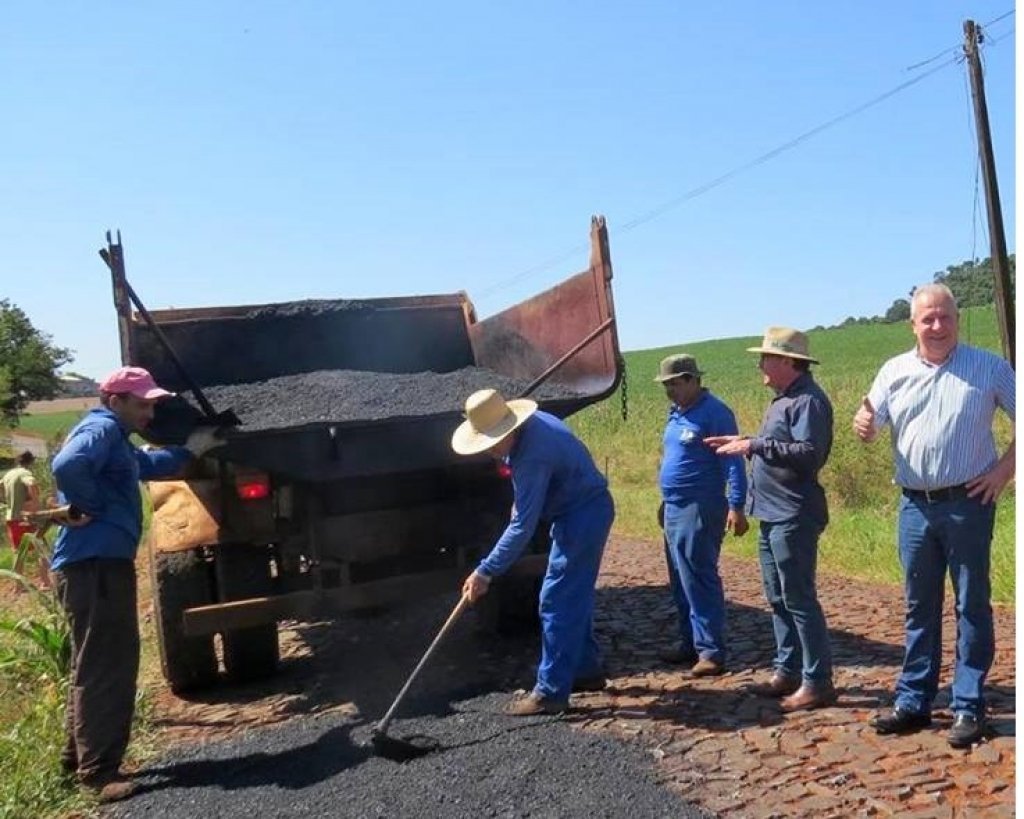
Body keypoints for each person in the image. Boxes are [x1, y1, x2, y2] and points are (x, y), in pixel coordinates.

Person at [49, 366, 224, 802]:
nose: (149, 411)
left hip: (92, 566)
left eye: (151, 403)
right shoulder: (102, 427)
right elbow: (68, 465)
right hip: (96, 565)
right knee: (109, 662)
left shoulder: (116, 443)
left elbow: (145, 464)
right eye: (141, 403)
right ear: (115, 401)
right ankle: (100, 774)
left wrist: (188, 451)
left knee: (92, 661)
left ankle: (77, 759)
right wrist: (91, 505)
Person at [853, 284, 1015, 749]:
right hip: (914, 506)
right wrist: (862, 425)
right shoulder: (894, 371)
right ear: (913, 325)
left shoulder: (988, 367)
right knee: (918, 605)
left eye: (945, 317)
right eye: (928, 319)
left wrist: (1004, 472)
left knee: (971, 604)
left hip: (969, 502)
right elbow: (869, 421)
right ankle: (914, 701)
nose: (937, 327)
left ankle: (968, 705)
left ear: (957, 320)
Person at [453, 388, 614, 715]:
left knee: (555, 600)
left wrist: (485, 571)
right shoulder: (536, 423)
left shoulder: (532, 455)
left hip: (581, 516)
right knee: (574, 595)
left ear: (508, 430)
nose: (491, 453)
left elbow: (523, 527)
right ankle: (585, 669)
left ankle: (551, 693)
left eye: (491, 444)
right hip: (583, 509)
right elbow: (526, 503)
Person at [706, 327, 835, 712]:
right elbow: (780, 447)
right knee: (777, 597)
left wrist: (755, 445)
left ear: (786, 361)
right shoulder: (783, 400)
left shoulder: (808, 401)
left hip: (794, 513)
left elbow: (810, 453)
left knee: (799, 598)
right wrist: (745, 441)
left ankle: (818, 681)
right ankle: (787, 671)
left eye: (766, 357)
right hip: (771, 513)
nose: (760, 364)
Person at [654, 353, 748, 676]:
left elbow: (733, 461)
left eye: (675, 384)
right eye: (666, 386)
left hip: (701, 505)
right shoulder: (676, 413)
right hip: (674, 505)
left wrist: (737, 504)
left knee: (699, 577)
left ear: (694, 380)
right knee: (680, 579)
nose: (670, 391)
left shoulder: (715, 413)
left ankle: (711, 650)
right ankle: (689, 642)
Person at [1, 451, 49, 588]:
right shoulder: (24, 473)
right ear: (30, 462)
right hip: (25, 517)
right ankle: (44, 582)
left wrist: (7, 501)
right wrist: (35, 504)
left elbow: (0, 485)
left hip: (11, 518)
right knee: (42, 548)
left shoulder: (9, 474)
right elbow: (32, 483)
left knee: (18, 551)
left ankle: (18, 585)